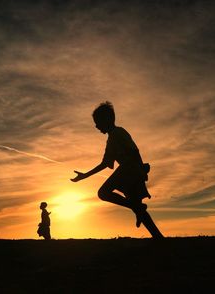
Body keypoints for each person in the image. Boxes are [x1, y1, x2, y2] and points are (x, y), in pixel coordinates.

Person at [70, 101, 163, 238]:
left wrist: (141, 170)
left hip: (129, 170)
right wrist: (85, 175)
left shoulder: (119, 132)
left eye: (98, 122)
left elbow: (134, 151)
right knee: (138, 208)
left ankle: (135, 207)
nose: (96, 126)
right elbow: (104, 163)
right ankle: (158, 236)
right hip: (129, 173)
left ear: (107, 120)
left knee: (103, 193)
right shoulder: (111, 139)